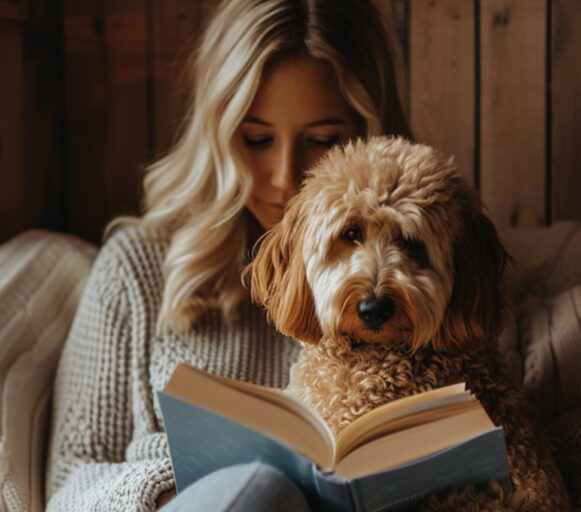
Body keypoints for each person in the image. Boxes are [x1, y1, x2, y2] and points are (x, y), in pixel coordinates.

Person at [45, 0, 411, 510]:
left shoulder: (419, 275)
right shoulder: (140, 270)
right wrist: (165, 489)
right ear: (218, 136)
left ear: (371, 136)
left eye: (323, 141)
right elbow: (66, 486)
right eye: (257, 139)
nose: (286, 178)